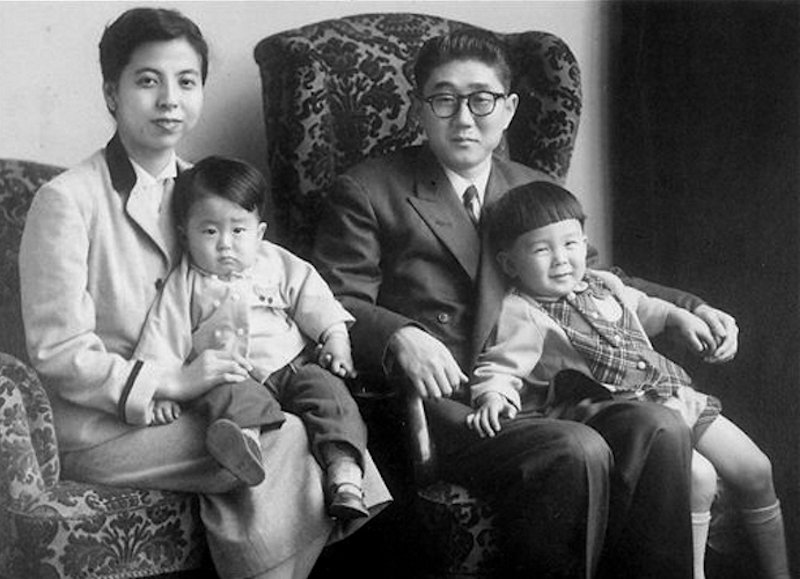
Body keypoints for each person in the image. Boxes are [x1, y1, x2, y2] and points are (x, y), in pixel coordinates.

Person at [313, 29, 738, 578]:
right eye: (443, 99)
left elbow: (592, 276)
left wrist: (687, 307)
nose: (464, 118)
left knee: (656, 424)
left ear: (508, 109)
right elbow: (333, 297)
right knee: (575, 448)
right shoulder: (370, 189)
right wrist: (399, 335)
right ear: (420, 108)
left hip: (554, 391)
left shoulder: (532, 184)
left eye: (481, 99)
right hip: (459, 403)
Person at [18, 8, 389, 579]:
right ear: (111, 94)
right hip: (108, 427)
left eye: (186, 82)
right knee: (284, 437)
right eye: (147, 81)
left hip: (212, 403)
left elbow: (260, 281)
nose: (169, 99)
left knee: (302, 421)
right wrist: (173, 380)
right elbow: (58, 350)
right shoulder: (68, 200)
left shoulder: (212, 191)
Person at [469, 181, 791, 579]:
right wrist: (494, 396)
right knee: (699, 478)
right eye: (541, 249)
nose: (561, 260)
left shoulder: (606, 285)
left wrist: (677, 316)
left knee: (756, 468)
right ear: (509, 264)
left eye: (570, 244)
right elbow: (502, 364)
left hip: (672, 394)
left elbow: (648, 307)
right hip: (626, 419)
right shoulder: (523, 311)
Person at [134, 155, 370, 519]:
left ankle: (345, 474)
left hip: (292, 362)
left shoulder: (275, 262)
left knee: (330, 396)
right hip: (232, 373)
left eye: (238, 231)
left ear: (259, 232)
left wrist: (335, 336)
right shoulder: (184, 285)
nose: (225, 244)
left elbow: (314, 298)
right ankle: (245, 448)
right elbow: (164, 335)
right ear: (185, 233)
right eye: (209, 231)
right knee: (229, 398)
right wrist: (162, 389)